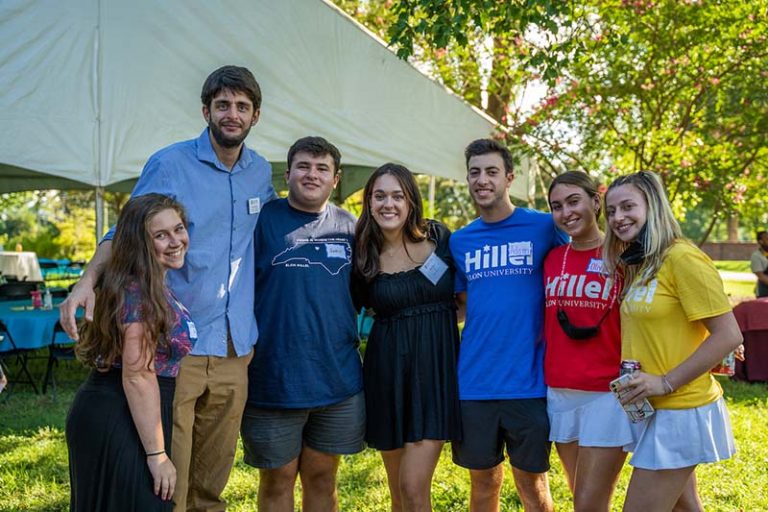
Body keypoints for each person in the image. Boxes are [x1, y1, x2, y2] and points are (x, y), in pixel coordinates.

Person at [60, 65, 276, 512]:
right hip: (177, 346)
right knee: (166, 483)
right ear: (206, 111)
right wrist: (87, 281)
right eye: (222, 106)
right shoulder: (170, 162)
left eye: (241, 106)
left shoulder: (260, 174)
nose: (231, 114)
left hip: (236, 346)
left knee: (211, 481)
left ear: (255, 115)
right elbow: (127, 229)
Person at [605, 171, 742, 511]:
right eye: (610, 211)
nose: (617, 218)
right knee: (685, 508)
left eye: (627, 207)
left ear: (652, 206)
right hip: (654, 410)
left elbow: (728, 334)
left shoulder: (682, 258)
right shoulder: (646, 263)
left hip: (682, 410)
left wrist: (665, 382)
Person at [240, 136, 364, 512]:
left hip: (337, 379)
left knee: (323, 477)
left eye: (322, 168)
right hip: (274, 379)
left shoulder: (351, 227)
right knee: (277, 479)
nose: (312, 174)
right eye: (304, 166)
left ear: (335, 178)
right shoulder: (261, 221)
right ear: (288, 172)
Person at [449, 139, 567, 512]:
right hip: (474, 383)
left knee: (532, 487)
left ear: (509, 178)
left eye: (491, 172)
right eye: (474, 172)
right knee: (483, 484)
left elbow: (578, 260)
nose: (482, 180)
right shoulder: (460, 240)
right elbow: (463, 305)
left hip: (528, 383)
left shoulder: (544, 227)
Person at [66, 193, 193, 511]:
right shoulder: (138, 293)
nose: (175, 241)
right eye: (160, 235)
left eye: (178, 229)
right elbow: (138, 375)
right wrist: (157, 455)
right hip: (122, 412)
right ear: (139, 243)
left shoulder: (148, 283)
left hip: (131, 410)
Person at [353, 163, 462, 512]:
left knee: (413, 488)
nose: (389, 204)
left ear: (411, 201)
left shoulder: (439, 239)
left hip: (434, 375)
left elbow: (465, 303)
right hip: (386, 375)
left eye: (398, 196)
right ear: (369, 202)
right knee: (399, 492)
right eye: (380, 196)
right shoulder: (363, 255)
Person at [543, 171, 632, 511]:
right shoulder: (551, 259)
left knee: (588, 503)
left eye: (573, 201)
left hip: (606, 394)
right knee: (579, 492)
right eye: (556, 206)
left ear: (596, 201)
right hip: (560, 392)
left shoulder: (625, 257)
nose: (566, 212)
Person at [750, 230, 768, 298]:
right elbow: (761, 276)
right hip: (763, 293)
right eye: (767, 239)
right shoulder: (756, 256)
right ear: (760, 241)